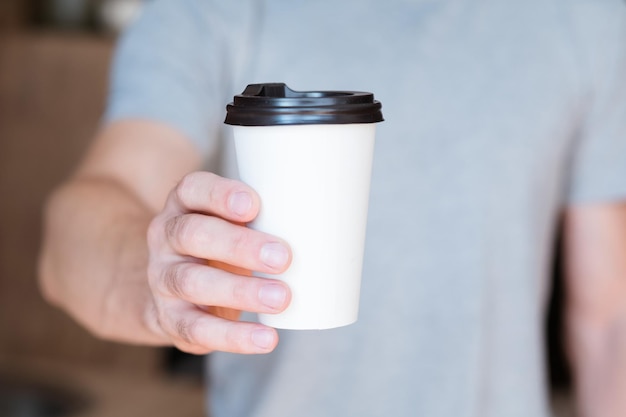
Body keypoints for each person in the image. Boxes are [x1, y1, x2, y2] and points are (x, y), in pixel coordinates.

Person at [38, 1, 626, 416]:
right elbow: (78, 230)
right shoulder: (212, 9)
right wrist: (158, 281)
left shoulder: (583, 16)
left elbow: (606, 324)